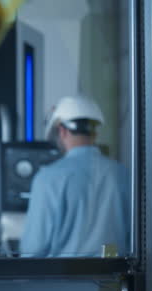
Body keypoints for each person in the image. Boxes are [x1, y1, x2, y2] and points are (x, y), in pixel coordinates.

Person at [20, 95, 131, 257]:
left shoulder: (48, 178)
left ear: (62, 131)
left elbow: (33, 249)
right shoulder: (122, 174)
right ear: (94, 133)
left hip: (64, 281)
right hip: (115, 280)